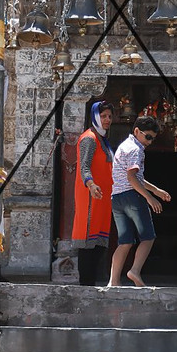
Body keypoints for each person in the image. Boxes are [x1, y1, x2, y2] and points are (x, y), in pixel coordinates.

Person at [108, 115, 171, 287]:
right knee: (148, 237)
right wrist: (150, 198)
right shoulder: (137, 150)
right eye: (148, 137)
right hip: (132, 196)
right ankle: (134, 271)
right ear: (137, 131)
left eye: (152, 138)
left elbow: (135, 177)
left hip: (117, 198)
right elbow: (132, 178)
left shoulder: (123, 146)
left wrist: (156, 190)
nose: (149, 142)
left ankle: (113, 282)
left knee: (125, 241)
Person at [71, 101, 115, 286]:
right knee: (88, 245)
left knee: (98, 245)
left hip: (103, 200)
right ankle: (85, 286)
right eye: (103, 116)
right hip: (91, 197)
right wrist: (90, 184)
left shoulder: (102, 139)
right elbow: (84, 166)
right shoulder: (89, 138)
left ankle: (91, 285)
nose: (107, 120)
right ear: (95, 116)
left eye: (110, 116)